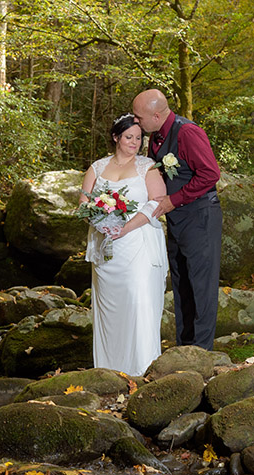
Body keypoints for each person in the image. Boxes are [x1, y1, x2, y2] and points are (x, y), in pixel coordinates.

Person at [132, 89, 222, 351]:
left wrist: (174, 200)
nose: (137, 123)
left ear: (156, 115)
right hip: (176, 220)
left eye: (139, 118)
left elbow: (210, 174)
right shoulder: (155, 137)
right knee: (181, 282)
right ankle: (185, 346)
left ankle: (202, 351)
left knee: (202, 285)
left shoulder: (188, 132)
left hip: (200, 216)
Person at [79, 113, 168, 377]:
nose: (135, 143)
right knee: (109, 309)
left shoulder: (147, 167)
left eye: (139, 138)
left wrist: (125, 227)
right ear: (116, 137)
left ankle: (142, 371)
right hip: (106, 247)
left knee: (138, 301)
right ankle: (109, 372)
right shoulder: (96, 168)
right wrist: (101, 223)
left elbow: (158, 202)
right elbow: (84, 204)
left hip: (138, 244)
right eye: (129, 137)